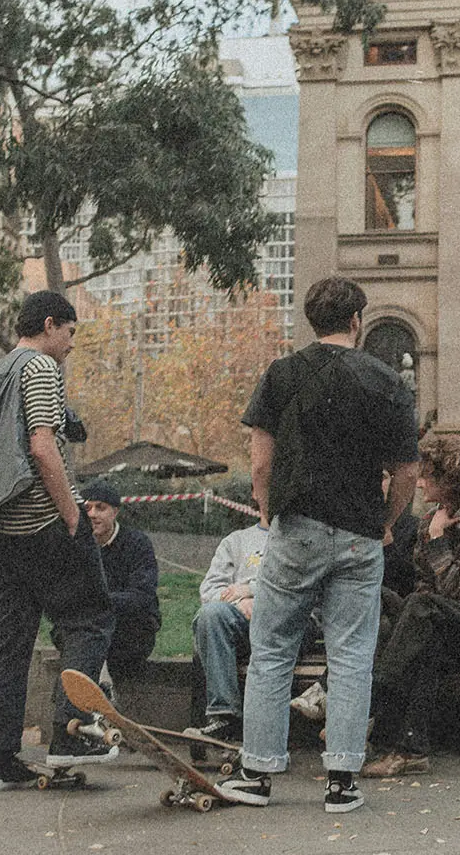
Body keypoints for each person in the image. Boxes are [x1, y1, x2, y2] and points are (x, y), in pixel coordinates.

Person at [217, 276, 420, 814]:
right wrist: (386, 522)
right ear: (357, 321)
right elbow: (406, 471)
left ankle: (257, 775)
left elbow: (261, 461)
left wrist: (266, 509)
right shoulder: (386, 382)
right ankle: (342, 782)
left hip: (297, 527)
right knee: (352, 656)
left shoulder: (282, 375)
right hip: (358, 533)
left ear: (312, 319)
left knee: (272, 650)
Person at [0, 291, 117, 792]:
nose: (71, 344)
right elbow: (42, 443)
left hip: (3, 532)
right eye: (70, 332)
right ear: (50, 325)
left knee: (7, 640)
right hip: (46, 524)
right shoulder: (40, 369)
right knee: (90, 619)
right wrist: (72, 515)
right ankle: (70, 737)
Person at [362, 437, 460, 778]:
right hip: (448, 620)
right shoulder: (429, 518)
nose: (418, 482)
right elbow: (428, 583)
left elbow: (445, 586)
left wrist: (437, 540)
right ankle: (411, 752)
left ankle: (368, 704)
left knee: (421, 612)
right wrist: (451, 594)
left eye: (427, 476)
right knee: (390, 603)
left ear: (449, 481)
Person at [288, 473, 419, 723]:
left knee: (372, 601)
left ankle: (324, 694)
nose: (376, 483)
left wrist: (388, 546)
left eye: (382, 477)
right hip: (366, 620)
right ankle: (357, 723)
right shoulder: (349, 524)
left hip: (399, 612)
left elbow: (409, 585)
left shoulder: (411, 527)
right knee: (377, 625)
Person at [190, 512, 272, 742]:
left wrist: (255, 593)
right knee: (210, 614)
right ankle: (225, 717)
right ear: (256, 493)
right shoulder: (236, 541)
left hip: (287, 624)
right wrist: (240, 602)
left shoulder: (302, 539)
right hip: (241, 623)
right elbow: (209, 591)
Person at [76, 480, 160, 681]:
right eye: (87, 508)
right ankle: (96, 694)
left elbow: (142, 596)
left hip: (129, 630)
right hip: (86, 628)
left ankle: (97, 693)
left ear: (115, 512)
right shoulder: (75, 545)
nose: (92, 514)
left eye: (100, 508)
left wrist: (98, 601)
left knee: (88, 641)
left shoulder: (137, 543)